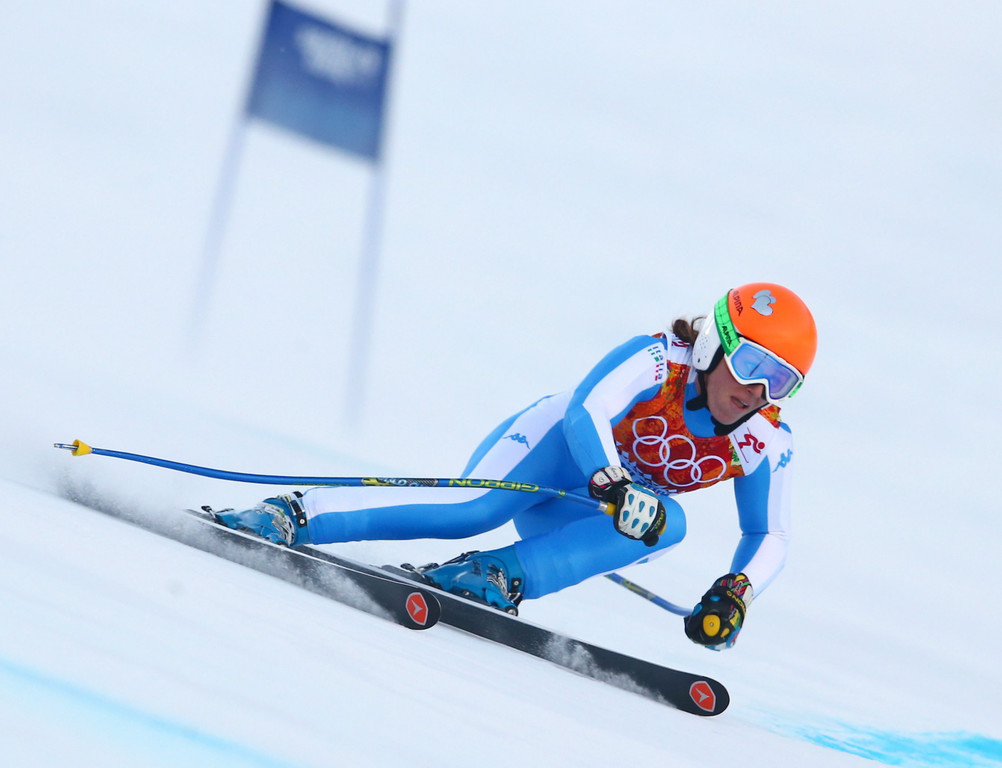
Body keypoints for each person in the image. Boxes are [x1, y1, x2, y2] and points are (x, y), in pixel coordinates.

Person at [217, 282, 817, 651]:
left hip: (583, 517)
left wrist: (736, 594)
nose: (757, 390)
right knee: (471, 512)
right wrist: (610, 480)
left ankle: (497, 576)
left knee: (669, 525)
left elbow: (769, 533)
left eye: (780, 380)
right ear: (715, 344)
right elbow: (587, 410)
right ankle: (298, 513)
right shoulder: (661, 360)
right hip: (556, 453)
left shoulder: (763, 439)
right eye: (752, 365)